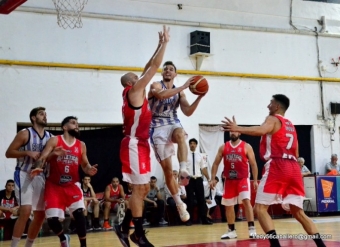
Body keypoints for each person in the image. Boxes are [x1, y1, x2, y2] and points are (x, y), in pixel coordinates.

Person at [222, 94, 326, 247]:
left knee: (260, 208)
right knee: (298, 212)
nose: (267, 106)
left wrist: (238, 128)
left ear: (277, 107)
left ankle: (275, 245)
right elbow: (296, 154)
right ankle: (321, 245)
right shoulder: (290, 124)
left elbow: (261, 130)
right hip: (294, 167)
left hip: (278, 165)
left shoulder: (272, 119)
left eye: (270, 103)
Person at [114, 25, 170, 247]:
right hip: (134, 145)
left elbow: (148, 66)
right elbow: (154, 68)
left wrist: (157, 45)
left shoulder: (136, 94)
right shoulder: (134, 93)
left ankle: (123, 226)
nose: (142, 78)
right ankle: (137, 234)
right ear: (131, 83)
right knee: (138, 189)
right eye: (137, 77)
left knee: (144, 188)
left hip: (142, 144)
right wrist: (165, 44)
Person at [148, 59, 206, 223]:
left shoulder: (180, 93)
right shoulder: (156, 85)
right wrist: (184, 86)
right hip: (157, 126)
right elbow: (160, 95)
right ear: (162, 73)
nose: (168, 70)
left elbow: (187, 111)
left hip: (173, 123)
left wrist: (199, 97)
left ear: (175, 74)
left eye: (171, 69)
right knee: (167, 171)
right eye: (165, 68)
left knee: (181, 134)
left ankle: (182, 169)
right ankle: (180, 204)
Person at [31, 116, 98, 247]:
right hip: (54, 186)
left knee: (79, 214)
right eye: (73, 123)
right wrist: (43, 162)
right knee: (52, 220)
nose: (76, 125)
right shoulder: (55, 140)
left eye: (77, 123)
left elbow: (85, 164)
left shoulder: (81, 145)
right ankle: (63, 237)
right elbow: (43, 158)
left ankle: (83, 245)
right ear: (64, 127)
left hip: (72, 185)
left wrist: (89, 169)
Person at [5, 106, 52, 247]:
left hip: (40, 175)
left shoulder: (50, 137)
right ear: (33, 117)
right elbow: (9, 153)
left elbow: (47, 158)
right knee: (25, 211)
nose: (45, 116)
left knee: (40, 214)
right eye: (41, 114)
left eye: (45, 114)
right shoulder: (25, 134)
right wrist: (27, 153)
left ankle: (29, 245)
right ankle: (14, 245)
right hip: (24, 173)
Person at [210, 131, 258, 239]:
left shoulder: (246, 146)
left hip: (243, 178)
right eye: (231, 131)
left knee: (246, 201)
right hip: (229, 180)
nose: (233, 133)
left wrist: (255, 180)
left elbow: (253, 164)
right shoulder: (223, 147)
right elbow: (216, 163)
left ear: (239, 133)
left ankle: (252, 229)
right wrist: (212, 178)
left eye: (235, 131)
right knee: (228, 205)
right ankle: (231, 231)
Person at [185, 138, 212, 226]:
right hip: (189, 179)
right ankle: (189, 220)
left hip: (198, 178)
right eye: (191, 143)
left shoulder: (200, 156)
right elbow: (182, 169)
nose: (192, 145)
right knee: (190, 200)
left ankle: (204, 219)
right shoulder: (185, 155)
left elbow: (203, 168)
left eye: (194, 143)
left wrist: (208, 178)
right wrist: (180, 181)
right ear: (189, 145)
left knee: (201, 200)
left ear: (196, 145)